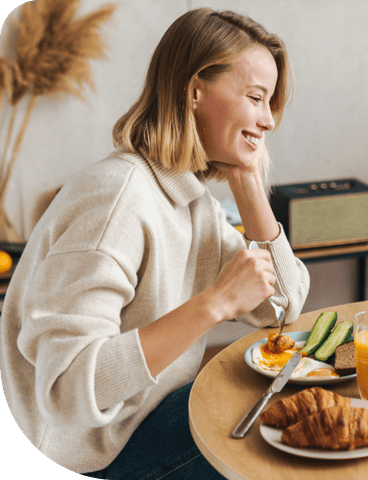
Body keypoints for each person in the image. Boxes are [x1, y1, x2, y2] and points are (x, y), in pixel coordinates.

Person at [0, 8, 309, 479]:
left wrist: (247, 183)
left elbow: (282, 306)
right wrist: (215, 304)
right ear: (194, 90)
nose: (268, 120)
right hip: (84, 454)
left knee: (280, 397)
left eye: (271, 104)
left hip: (137, 422)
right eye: (255, 98)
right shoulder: (117, 199)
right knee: (270, 437)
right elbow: (65, 389)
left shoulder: (189, 200)